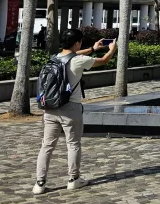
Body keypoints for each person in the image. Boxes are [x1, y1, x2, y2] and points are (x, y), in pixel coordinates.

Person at [33, 28, 117, 194]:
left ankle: (39, 184)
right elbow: (104, 61)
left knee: (47, 146)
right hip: (70, 108)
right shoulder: (79, 61)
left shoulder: (54, 58)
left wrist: (93, 48)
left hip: (49, 108)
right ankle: (73, 179)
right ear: (77, 43)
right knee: (73, 144)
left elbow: (72, 54)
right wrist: (112, 49)